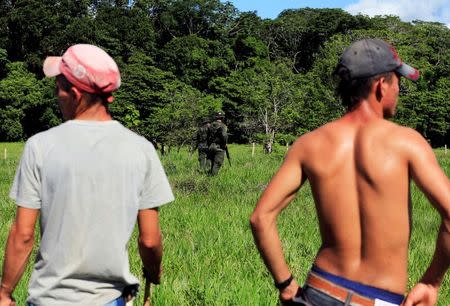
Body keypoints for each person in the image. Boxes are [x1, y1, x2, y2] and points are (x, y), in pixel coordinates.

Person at [250, 38, 450, 306]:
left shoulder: (309, 144)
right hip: (379, 299)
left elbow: (261, 217)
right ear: (381, 86)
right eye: (397, 81)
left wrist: (286, 285)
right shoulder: (407, 142)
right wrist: (430, 282)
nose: (399, 89)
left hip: (320, 290)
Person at [0, 44, 174, 306]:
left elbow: (23, 235)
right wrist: (155, 271)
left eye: (58, 87)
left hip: (50, 299)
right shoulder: (141, 149)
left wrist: (4, 291)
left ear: (75, 93)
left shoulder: (40, 146)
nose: (57, 95)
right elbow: (149, 241)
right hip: (110, 299)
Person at [207, 111, 228, 176]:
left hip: (210, 146)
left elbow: (207, 136)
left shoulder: (210, 125)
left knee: (213, 163)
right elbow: (224, 135)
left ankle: (210, 176)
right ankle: (213, 179)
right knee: (217, 163)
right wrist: (224, 144)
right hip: (219, 147)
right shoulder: (223, 126)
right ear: (222, 118)